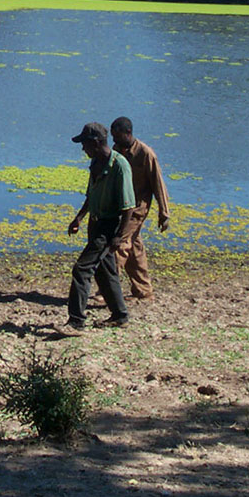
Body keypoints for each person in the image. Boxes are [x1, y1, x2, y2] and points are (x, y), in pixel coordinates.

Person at [57, 122, 135, 337]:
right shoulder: (95, 163)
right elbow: (91, 196)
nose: (83, 149)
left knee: (82, 269)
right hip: (95, 222)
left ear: (96, 142)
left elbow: (129, 206)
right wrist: (79, 218)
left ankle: (76, 322)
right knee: (105, 271)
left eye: (84, 144)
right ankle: (120, 315)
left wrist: (119, 235)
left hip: (109, 226)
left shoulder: (120, 166)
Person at [109, 116, 171, 300]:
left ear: (128, 133)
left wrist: (164, 212)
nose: (115, 141)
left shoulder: (146, 154)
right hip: (121, 206)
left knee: (119, 244)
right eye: (113, 137)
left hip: (137, 208)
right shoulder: (117, 151)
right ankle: (143, 290)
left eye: (117, 136)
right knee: (134, 247)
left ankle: (107, 291)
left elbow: (158, 183)